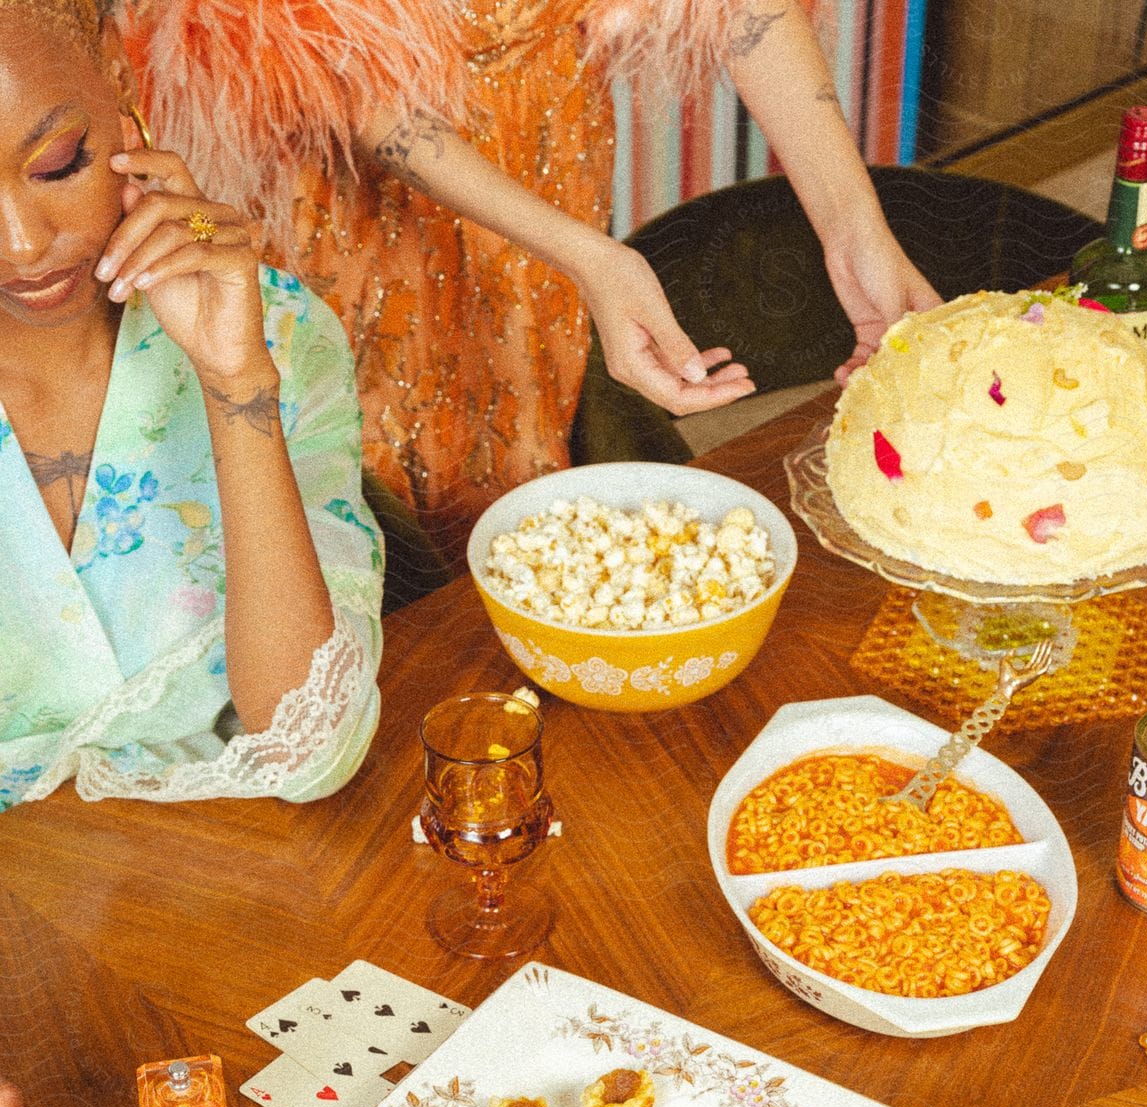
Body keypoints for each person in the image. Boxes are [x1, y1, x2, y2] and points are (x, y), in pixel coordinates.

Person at [124, 0, 940, 543]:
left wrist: (853, 227)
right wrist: (589, 255)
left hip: (547, 145)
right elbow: (343, 71)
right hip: (343, 194)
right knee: (365, 485)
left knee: (522, 440)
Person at [0, 0, 383, 814]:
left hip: (231, 892)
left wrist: (235, 384)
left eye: (57, 164)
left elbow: (308, 751)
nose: (23, 244)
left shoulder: (278, 333)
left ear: (117, 70)